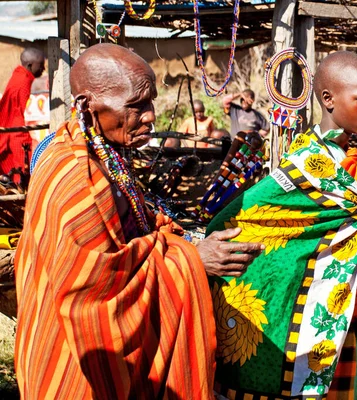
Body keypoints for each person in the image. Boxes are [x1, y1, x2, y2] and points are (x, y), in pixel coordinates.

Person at [15, 43, 264, 399]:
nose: (151, 116)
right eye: (136, 106)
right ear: (87, 106)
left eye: (150, 103)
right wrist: (193, 261)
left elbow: (135, 222)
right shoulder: (72, 175)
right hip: (75, 361)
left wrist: (173, 234)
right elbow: (94, 289)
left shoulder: (104, 154)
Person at [207, 51, 357, 399]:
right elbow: (234, 218)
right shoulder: (307, 164)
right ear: (328, 99)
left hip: (349, 309)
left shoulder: (345, 159)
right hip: (322, 312)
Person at [0, 47, 45, 182]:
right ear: (30, 65)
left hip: (14, 129)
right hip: (17, 133)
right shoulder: (23, 81)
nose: (43, 69)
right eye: (41, 65)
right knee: (25, 171)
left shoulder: (20, 76)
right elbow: (20, 112)